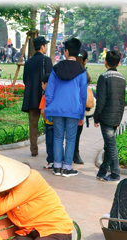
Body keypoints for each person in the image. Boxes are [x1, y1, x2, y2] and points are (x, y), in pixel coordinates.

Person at [0, 152, 74, 240]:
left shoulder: (30, 179)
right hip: (30, 233)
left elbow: (0, 207)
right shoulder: (10, 188)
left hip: (55, 232)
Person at [44, 37, 87, 178]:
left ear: (67, 51)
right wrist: (81, 114)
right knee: (70, 139)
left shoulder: (56, 68)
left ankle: (57, 167)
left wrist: (48, 109)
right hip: (74, 110)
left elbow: (49, 92)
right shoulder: (82, 71)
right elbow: (83, 95)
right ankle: (67, 169)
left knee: (57, 137)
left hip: (56, 109)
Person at [94, 50, 126, 183]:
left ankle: (115, 173)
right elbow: (122, 102)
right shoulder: (122, 78)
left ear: (105, 62)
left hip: (106, 117)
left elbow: (100, 100)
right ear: (119, 63)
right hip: (116, 117)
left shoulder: (104, 77)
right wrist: (119, 119)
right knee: (108, 144)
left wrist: (96, 117)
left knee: (111, 145)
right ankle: (102, 171)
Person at [22, 36, 52, 157]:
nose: (46, 47)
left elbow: (25, 80)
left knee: (32, 125)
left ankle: (33, 150)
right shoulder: (47, 60)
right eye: (46, 45)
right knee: (48, 124)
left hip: (31, 98)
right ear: (42, 46)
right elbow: (51, 79)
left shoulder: (28, 62)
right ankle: (49, 150)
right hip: (44, 98)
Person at [72, 49, 93, 166]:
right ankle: (75, 153)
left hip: (70, 103)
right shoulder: (82, 72)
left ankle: (70, 153)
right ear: (85, 60)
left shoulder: (72, 69)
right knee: (77, 131)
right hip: (79, 105)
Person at [38, 74, 55, 170]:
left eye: (42, 84)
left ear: (46, 84)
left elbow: (42, 111)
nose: (42, 86)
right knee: (58, 142)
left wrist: (45, 119)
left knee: (49, 143)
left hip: (49, 124)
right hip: (58, 123)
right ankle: (59, 161)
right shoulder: (57, 95)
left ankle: (50, 162)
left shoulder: (45, 97)